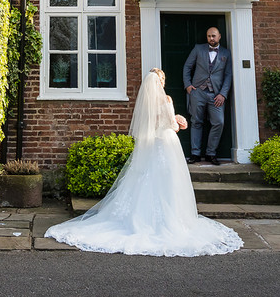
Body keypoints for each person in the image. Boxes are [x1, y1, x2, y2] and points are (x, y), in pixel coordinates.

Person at [44, 69, 243, 256]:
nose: (163, 84)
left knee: (148, 178)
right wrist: (179, 121)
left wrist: (172, 119)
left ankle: (142, 218)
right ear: (161, 82)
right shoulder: (166, 99)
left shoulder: (148, 104)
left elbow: (152, 123)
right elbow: (172, 125)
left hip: (152, 143)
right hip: (166, 143)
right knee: (169, 181)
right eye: (163, 80)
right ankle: (172, 219)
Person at [183, 26, 231, 165]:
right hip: (197, 92)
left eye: (214, 36)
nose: (211, 38)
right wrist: (188, 85)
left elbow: (228, 75)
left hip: (216, 95)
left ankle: (211, 153)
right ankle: (195, 153)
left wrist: (223, 94)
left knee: (219, 122)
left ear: (219, 36)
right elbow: (187, 67)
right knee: (196, 122)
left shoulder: (226, 53)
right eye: (209, 36)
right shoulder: (198, 49)